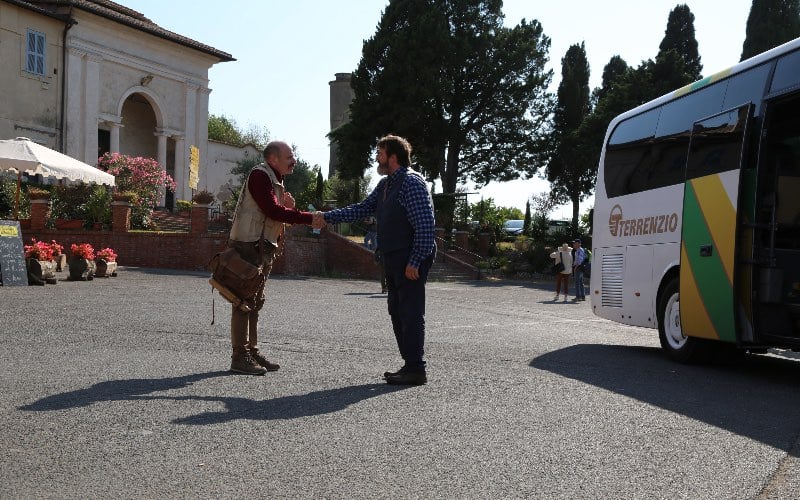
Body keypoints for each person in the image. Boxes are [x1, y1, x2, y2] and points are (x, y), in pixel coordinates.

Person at [315, 134, 436, 385]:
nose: (376, 159)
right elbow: (361, 208)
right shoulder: (386, 185)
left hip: (408, 259)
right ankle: (409, 365)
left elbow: (425, 226)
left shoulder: (411, 182)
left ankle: (416, 368)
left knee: (411, 313)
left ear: (393, 156)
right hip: (393, 258)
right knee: (397, 311)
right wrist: (327, 217)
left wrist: (415, 261)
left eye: (380, 154)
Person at [227, 141, 318, 375]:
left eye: (293, 155)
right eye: (289, 156)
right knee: (243, 300)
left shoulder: (274, 178)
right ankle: (239, 356)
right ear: (273, 158)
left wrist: (286, 207)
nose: (294, 160)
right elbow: (272, 211)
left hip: (261, 246)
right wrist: (308, 217)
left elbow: (274, 213)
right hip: (249, 245)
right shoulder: (260, 175)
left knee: (255, 300)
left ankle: (252, 351)